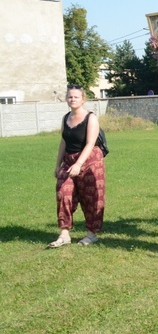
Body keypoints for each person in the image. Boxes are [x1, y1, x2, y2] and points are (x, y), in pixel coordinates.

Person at [50, 85, 106, 248]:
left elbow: (90, 143)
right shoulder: (65, 118)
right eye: (70, 97)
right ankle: (64, 233)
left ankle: (92, 234)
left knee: (91, 198)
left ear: (83, 99)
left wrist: (79, 164)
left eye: (76, 97)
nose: (72, 99)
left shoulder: (91, 118)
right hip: (69, 160)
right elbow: (63, 141)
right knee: (63, 193)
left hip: (90, 161)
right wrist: (58, 164)